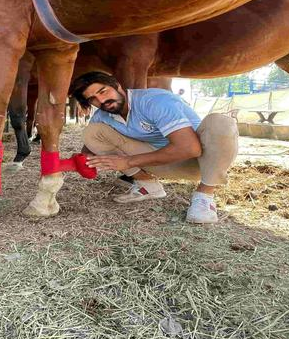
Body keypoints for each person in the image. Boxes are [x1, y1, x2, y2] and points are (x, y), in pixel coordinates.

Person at [70, 71, 238, 224]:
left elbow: (190, 148)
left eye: (103, 91)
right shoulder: (103, 115)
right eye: (92, 99)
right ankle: (148, 185)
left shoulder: (154, 101)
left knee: (221, 122)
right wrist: (75, 163)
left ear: (117, 85)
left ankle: (204, 197)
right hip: (163, 163)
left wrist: (127, 162)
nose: (101, 101)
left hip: (202, 162)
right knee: (92, 132)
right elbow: (88, 149)